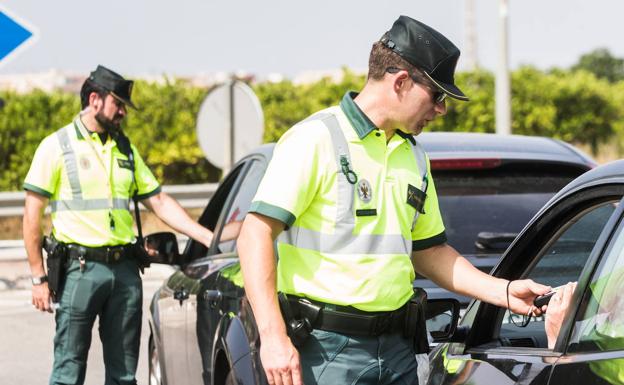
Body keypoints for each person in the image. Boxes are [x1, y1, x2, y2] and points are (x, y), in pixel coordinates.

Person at [236, 15, 551, 385]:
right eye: (437, 96)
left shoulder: (413, 155)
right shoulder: (314, 140)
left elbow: (430, 252)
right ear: (401, 81)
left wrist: (506, 292)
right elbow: (253, 235)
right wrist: (273, 337)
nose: (441, 109)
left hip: (399, 348)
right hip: (327, 351)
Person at [22, 65, 213, 385]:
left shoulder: (125, 148)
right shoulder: (56, 146)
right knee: (68, 372)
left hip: (124, 271)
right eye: (118, 104)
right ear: (94, 100)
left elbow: (160, 202)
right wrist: (38, 278)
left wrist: (209, 237)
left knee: (124, 375)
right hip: (80, 270)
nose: (123, 111)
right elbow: (31, 216)